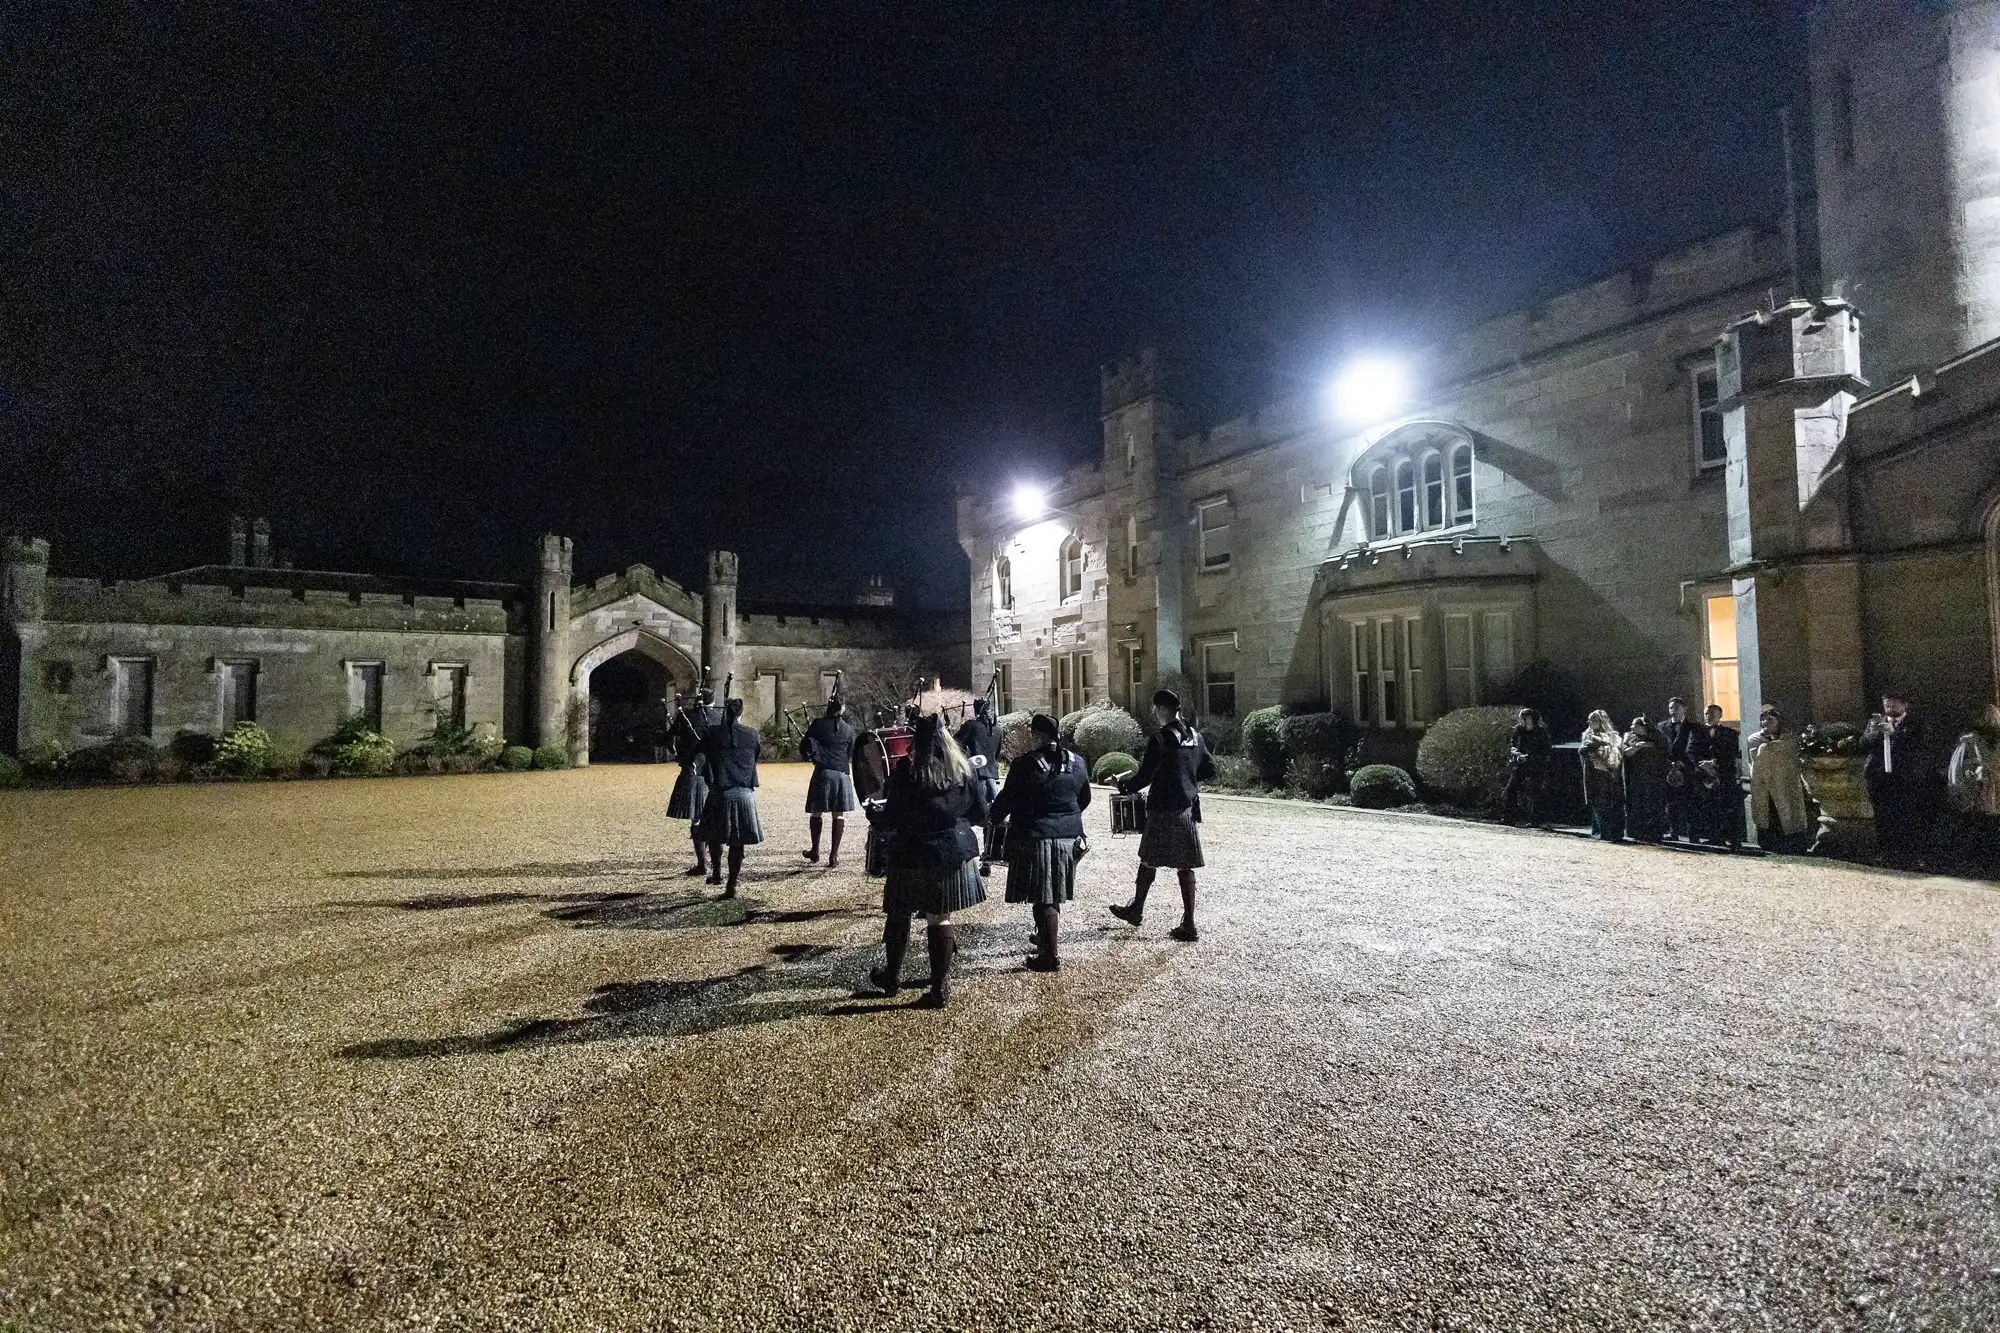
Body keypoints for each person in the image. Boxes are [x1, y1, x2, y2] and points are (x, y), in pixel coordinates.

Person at [866, 714, 989, 1007]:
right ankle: (939, 988)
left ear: (915, 743)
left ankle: (892, 978)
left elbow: (892, 817)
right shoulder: (962, 770)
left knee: (900, 913)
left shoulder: (906, 771)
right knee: (940, 917)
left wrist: (873, 813)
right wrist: (955, 821)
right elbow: (981, 813)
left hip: (911, 852)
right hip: (951, 850)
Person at [1109, 689, 1215, 942]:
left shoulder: (1160, 739)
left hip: (1162, 807)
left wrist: (1122, 786)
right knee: (1185, 865)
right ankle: (1188, 922)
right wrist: (1187, 780)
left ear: (1164, 710)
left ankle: (1137, 909)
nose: (1156, 714)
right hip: (1186, 807)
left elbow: (1145, 776)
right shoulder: (1196, 738)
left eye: (1157, 709)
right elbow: (1210, 769)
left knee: (1148, 859)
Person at [990, 713, 1091, 972]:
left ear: (1037, 735)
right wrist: (1067, 819)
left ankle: (1050, 956)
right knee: (1052, 892)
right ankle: (1045, 938)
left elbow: (1007, 800)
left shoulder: (1023, 764)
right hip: (1070, 838)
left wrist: (992, 816)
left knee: (1043, 897)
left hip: (1037, 835)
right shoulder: (1077, 762)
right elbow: (1084, 799)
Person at [698, 696, 763, 896]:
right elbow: (755, 758)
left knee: (714, 837)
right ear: (741, 714)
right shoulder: (752, 735)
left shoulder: (712, 734)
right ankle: (732, 883)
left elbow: (701, 753)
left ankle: (717, 873)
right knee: (737, 841)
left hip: (720, 792)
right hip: (744, 793)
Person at [1863, 693, 1928, 858]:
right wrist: (1878, 733)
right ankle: (1885, 852)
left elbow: (1918, 745)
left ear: (1905, 705)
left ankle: (1909, 854)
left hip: (1904, 777)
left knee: (1907, 815)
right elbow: (1863, 743)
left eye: (1894, 705)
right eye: (1887, 705)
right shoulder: (1875, 722)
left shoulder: (1915, 723)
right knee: (1882, 816)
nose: (1890, 709)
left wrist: (1894, 734)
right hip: (1880, 777)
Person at [800, 696, 859, 867]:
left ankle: (815, 851)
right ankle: (833, 857)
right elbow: (850, 753)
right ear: (843, 708)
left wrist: (813, 755)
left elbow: (805, 745)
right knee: (838, 815)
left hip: (823, 773)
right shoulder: (849, 729)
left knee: (816, 812)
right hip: (841, 773)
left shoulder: (818, 724)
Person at [1746, 704, 1812, 854]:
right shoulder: (1755, 739)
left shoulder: (1789, 738)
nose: (1766, 722)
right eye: (1763, 719)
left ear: (1778, 720)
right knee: (1768, 814)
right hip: (1764, 784)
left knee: (1788, 812)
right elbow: (1754, 759)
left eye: (1770, 719)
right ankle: (1771, 844)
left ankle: (1794, 844)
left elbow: (1789, 754)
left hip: (1785, 782)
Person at [666, 688, 716, 877]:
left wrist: (678, 749)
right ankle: (715, 862)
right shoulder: (719, 717)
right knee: (712, 817)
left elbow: (669, 741)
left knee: (697, 817)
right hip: (714, 772)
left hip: (692, 770)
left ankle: (703, 864)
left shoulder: (686, 716)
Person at [955, 697, 1005, 873]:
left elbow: (956, 746)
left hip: (976, 777)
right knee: (991, 819)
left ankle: (963, 857)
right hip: (993, 778)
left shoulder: (971, 726)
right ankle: (988, 859)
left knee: (964, 817)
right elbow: (997, 752)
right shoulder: (998, 729)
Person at [1947, 702, 2000, 863]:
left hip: (1981, 792)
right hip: (1980, 792)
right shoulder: (1969, 741)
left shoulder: (1970, 741)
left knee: (1980, 826)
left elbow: (1958, 771)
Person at [1500, 707, 1553, 828]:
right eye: (1523, 718)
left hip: (1535, 765)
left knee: (1536, 791)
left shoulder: (1541, 731)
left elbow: (1546, 749)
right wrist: (1515, 752)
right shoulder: (1519, 730)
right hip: (1520, 764)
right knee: (1511, 789)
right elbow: (1513, 743)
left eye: (1528, 718)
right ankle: (1509, 817)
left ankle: (1536, 820)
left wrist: (1529, 756)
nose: (1525, 720)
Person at [1620, 715, 1670, 843]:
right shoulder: (1629, 737)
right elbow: (1626, 752)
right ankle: (1637, 831)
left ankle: (1654, 832)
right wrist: (1638, 746)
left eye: (1634, 725)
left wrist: (1647, 745)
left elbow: (1663, 751)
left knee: (1653, 803)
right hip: (1636, 776)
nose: (1631, 728)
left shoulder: (1657, 736)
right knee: (1637, 803)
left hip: (1654, 776)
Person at [1701, 703, 1744, 850]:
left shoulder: (1730, 733)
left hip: (1725, 775)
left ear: (1720, 715)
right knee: (1710, 806)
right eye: (1707, 713)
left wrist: (1716, 762)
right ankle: (1714, 837)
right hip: (1705, 775)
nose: (1709, 715)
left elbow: (1731, 752)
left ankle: (1733, 839)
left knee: (1729, 807)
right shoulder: (1698, 732)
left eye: (1713, 713)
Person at [1579, 710, 1626, 842]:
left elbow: (1616, 755)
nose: (1590, 722)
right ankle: (1600, 832)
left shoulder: (1614, 737)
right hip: (1594, 772)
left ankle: (1614, 832)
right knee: (1597, 802)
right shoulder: (1587, 737)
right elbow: (1583, 752)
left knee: (1611, 803)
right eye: (1589, 720)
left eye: (1593, 719)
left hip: (1610, 773)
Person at [1661, 697, 1700, 842]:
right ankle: (1673, 832)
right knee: (1670, 803)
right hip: (1668, 771)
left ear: (1684, 709)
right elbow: (1660, 748)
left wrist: (1683, 763)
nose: (1673, 711)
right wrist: (1669, 764)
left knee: (1690, 803)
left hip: (1687, 769)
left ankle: (1693, 834)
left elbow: (1696, 748)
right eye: (1671, 708)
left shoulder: (1695, 727)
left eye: (1676, 708)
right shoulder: (1662, 727)